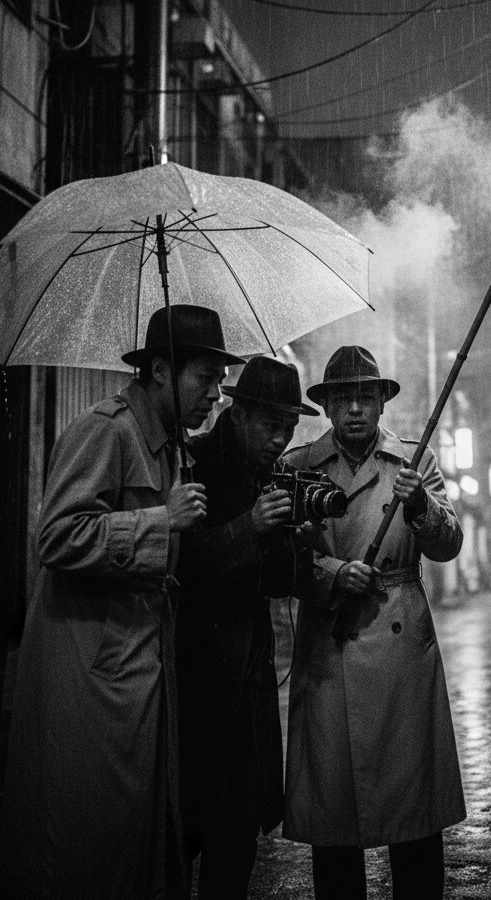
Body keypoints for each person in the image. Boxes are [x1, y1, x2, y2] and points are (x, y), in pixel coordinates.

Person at [0, 305, 240, 900]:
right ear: (160, 370)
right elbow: (57, 536)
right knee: (90, 843)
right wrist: (162, 519)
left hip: (139, 665)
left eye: (219, 380)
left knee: (140, 838)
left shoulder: (168, 446)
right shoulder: (105, 428)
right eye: (205, 378)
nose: (216, 394)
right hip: (93, 671)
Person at [282, 345, 466, 900]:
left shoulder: (414, 462)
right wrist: (332, 574)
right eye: (344, 398)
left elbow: (449, 544)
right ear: (328, 406)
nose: (356, 408)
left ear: (382, 404)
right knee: (335, 812)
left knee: (412, 810)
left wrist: (419, 510)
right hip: (329, 641)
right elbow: (284, 560)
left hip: (400, 634)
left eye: (366, 396)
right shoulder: (297, 467)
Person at [176, 355, 319, 898]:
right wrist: (249, 526)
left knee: (237, 834)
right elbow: (181, 562)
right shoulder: (193, 465)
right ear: (237, 414)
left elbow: (276, 583)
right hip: (198, 673)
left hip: (249, 681)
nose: (279, 439)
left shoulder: (272, 475)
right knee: (185, 826)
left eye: (288, 429)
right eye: (270, 426)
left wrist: (295, 546)